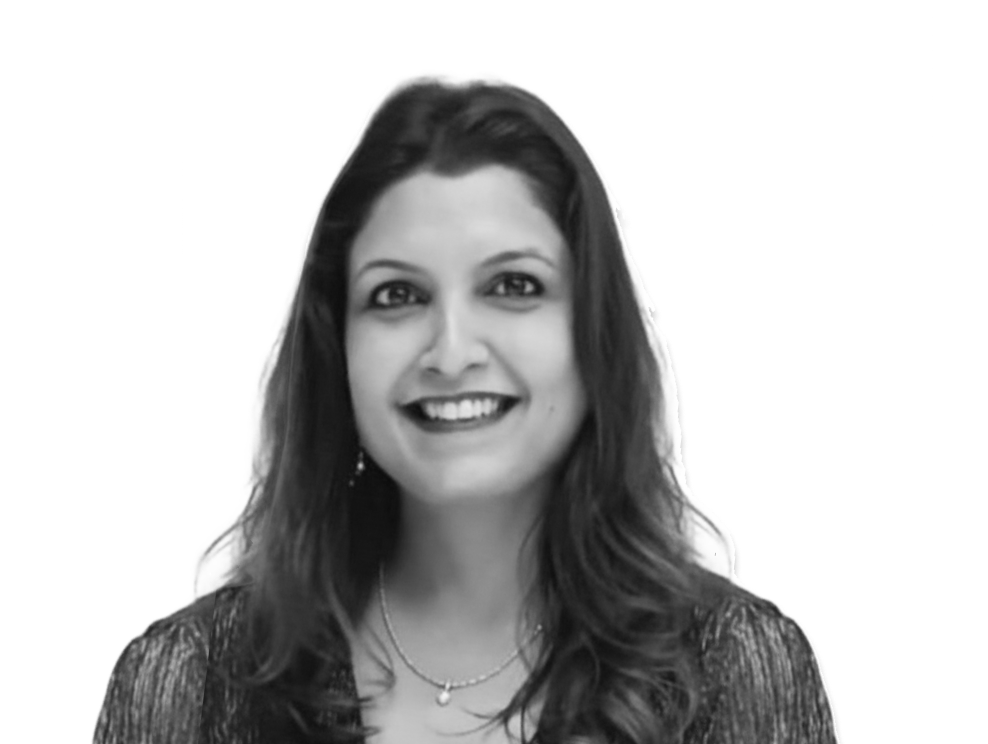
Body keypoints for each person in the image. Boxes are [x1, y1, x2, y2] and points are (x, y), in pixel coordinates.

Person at [93, 74, 838, 744]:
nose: (450, 353)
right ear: (337, 350)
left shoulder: (739, 667)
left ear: (595, 336)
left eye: (513, 286)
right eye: (397, 295)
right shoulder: (186, 682)